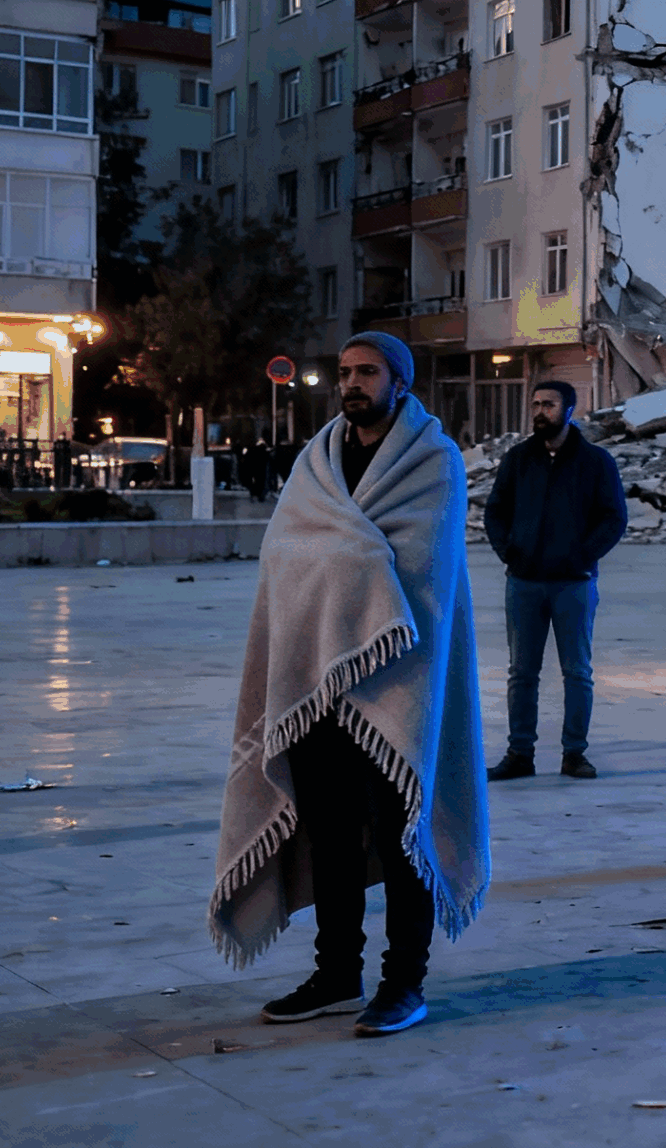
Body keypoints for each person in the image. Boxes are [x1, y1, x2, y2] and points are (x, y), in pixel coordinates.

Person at [210, 331, 489, 1040]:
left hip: (401, 680)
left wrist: (339, 555)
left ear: (400, 380)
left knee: (406, 835)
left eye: (368, 371)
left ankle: (405, 981)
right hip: (315, 683)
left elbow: (422, 566)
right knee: (328, 833)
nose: (353, 382)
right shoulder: (318, 459)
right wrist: (344, 558)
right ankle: (338, 972)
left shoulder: (436, 460)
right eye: (345, 371)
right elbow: (284, 549)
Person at [483, 380, 626, 782]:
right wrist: (509, 551)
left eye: (548, 404)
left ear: (569, 409)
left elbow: (614, 518)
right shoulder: (518, 459)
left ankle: (574, 754)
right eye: (535, 404)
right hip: (524, 582)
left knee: (577, 671)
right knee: (521, 673)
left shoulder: (595, 462)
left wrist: (581, 555)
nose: (540, 411)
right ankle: (519, 754)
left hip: (573, 584)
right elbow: (495, 511)